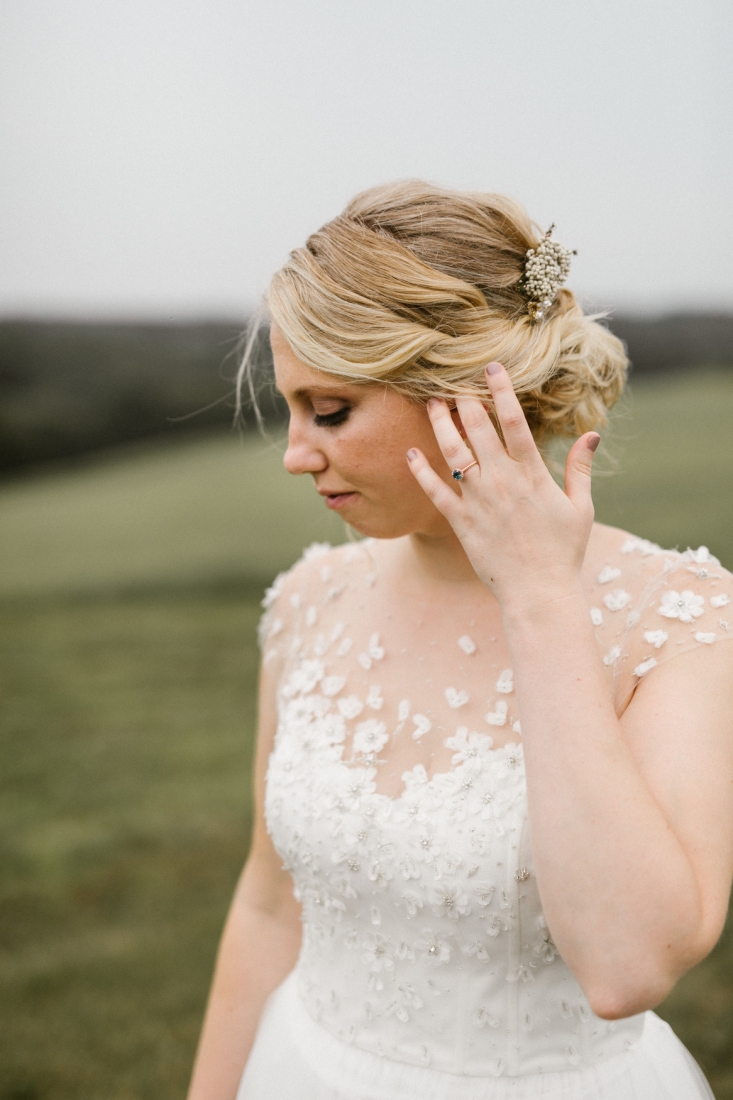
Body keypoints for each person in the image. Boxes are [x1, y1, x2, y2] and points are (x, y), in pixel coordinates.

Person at [187, 182, 733, 1100]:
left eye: (329, 410)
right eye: (291, 410)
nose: (295, 453)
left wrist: (540, 600)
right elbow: (270, 904)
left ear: (471, 394)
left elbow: (628, 968)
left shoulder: (677, 618)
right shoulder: (307, 602)